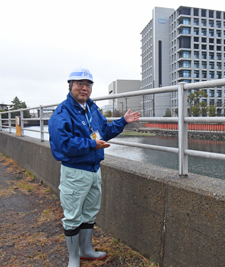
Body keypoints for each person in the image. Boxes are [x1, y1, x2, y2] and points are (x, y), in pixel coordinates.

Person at [48, 67, 140, 267]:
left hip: (94, 169)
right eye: (80, 84)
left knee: (90, 211)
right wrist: (91, 144)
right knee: (72, 215)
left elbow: (104, 131)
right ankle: (74, 257)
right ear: (70, 85)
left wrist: (123, 121)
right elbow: (62, 143)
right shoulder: (62, 112)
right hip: (75, 170)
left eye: (88, 85)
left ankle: (86, 250)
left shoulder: (92, 108)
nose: (84, 88)